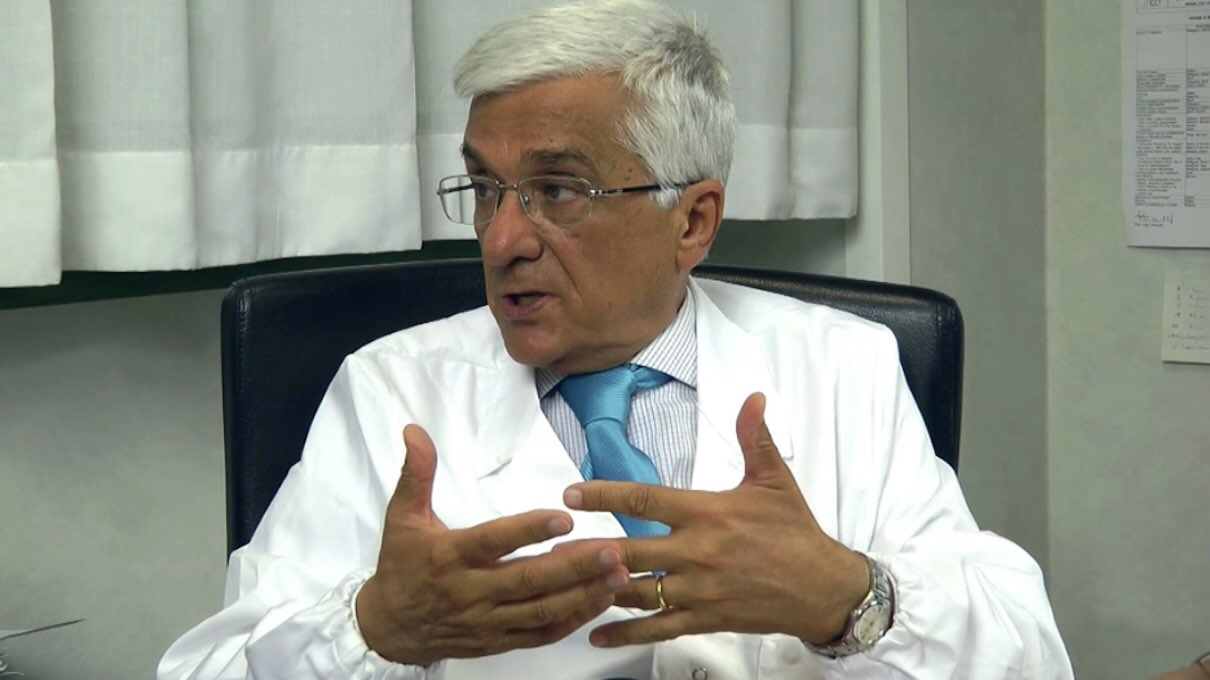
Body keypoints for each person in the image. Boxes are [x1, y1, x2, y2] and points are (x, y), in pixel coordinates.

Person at [159, 1, 1074, 678]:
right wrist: (375, 630)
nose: (501, 239)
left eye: (558, 191)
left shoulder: (842, 368)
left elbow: (1031, 656)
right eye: (484, 189)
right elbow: (208, 668)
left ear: (693, 221)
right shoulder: (392, 393)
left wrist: (846, 597)